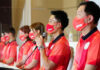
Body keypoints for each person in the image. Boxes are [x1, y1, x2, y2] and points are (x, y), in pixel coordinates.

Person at [72, 1, 100, 70]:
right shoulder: (82, 37)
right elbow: (75, 66)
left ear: (89, 19)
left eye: (79, 14)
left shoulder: (97, 40)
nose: (75, 18)